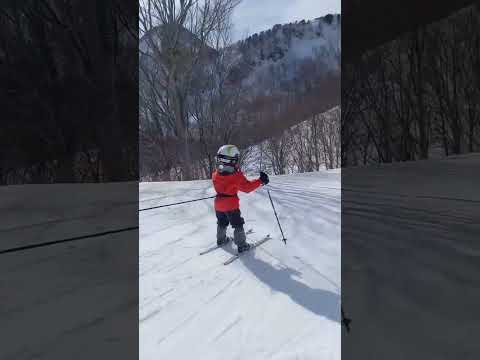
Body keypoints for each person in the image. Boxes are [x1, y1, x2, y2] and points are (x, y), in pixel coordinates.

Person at [212, 145, 269, 252]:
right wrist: (261, 181)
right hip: (231, 206)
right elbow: (247, 188)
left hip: (218, 204)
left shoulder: (215, 174)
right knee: (238, 224)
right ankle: (242, 245)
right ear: (232, 160)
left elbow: (222, 183)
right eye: (236, 159)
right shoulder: (236, 176)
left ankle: (221, 239)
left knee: (222, 222)